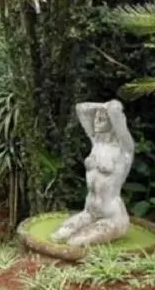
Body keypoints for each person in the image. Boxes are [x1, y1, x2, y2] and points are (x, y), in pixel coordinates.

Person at [51, 100, 134, 247]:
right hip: (89, 212)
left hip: (111, 216)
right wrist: (101, 107)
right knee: (58, 235)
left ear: (113, 122)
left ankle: (118, 228)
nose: (96, 120)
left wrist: (110, 108)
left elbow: (115, 109)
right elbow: (80, 108)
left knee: (74, 242)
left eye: (102, 118)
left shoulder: (124, 150)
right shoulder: (96, 143)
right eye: (96, 117)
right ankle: (87, 222)